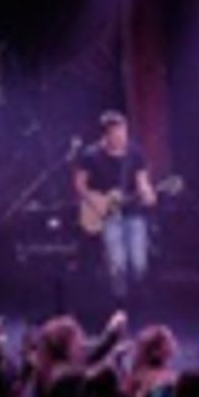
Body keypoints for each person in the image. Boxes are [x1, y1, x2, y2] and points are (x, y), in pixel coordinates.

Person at [73, 111, 158, 304]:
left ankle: (139, 301)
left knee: (139, 263)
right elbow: (79, 184)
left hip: (133, 212)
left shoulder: (135, 153)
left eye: (124, 132)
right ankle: (121, 304)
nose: (121, 137)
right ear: (106, 135)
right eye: (116, 133)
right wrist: (96, 201)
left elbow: (142, 182)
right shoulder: (90, 155)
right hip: (108, 215)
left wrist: (148, 193)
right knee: (117, 264)